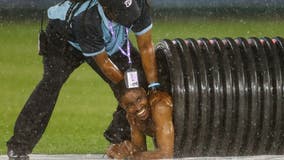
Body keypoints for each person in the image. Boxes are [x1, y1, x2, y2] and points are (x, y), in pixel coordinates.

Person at [7, 0, 171, 159]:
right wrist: (130, 88)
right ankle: (19, 147)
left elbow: (146, 47)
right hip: (64, 40)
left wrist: (154, 87)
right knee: (50, 86)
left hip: (106, 41)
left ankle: (119, 139)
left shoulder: (138, 5)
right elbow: (105, 64)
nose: (128, 20)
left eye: (131, 16)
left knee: (140, 81)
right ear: (107, 9)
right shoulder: (87, 19)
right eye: (123, 17)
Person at [106, 87, 174, 159]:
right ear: (123, 107)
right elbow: (140, 151)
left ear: (145, 93)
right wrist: (125, 149)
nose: (138, 107)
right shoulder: (132, 117)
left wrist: (133, 155)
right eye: (130, 105)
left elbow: (166, 155)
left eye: (139, 99)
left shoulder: (160, 107)